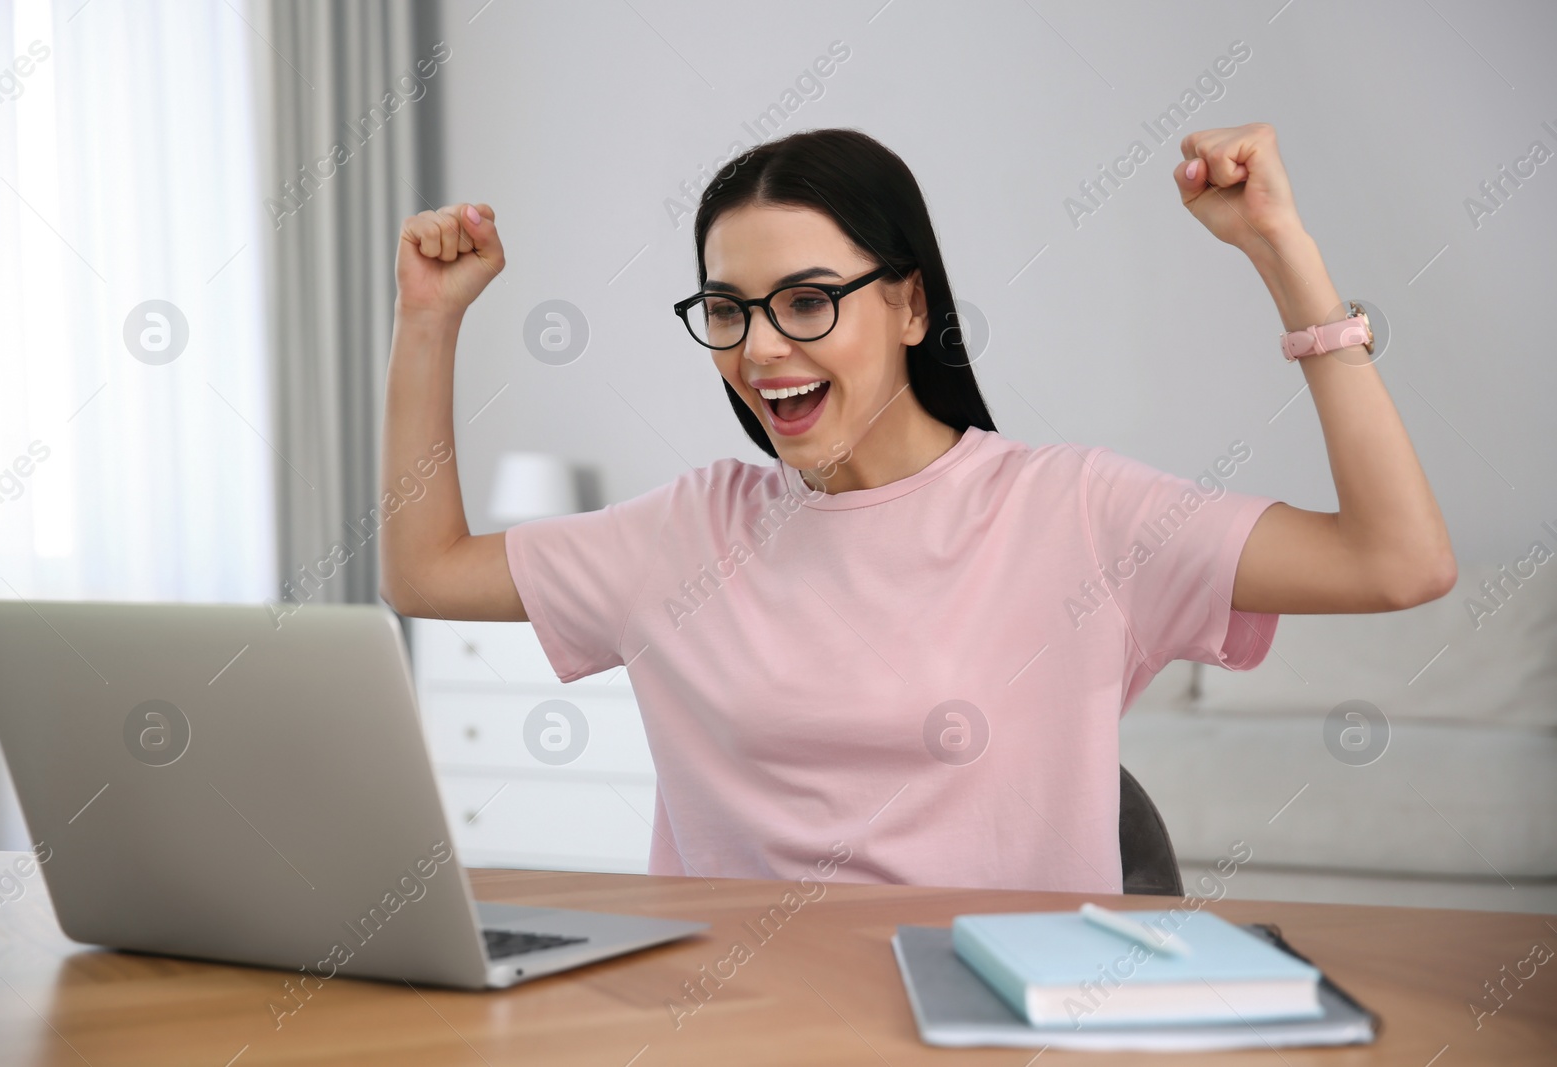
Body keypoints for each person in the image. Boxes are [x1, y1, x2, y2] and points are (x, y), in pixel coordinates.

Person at [378, 126, 1455, 893]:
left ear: (907, 303)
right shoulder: (684, 533)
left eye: (806, 300)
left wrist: (1286, 258)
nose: (759, 349)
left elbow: (1396, 560)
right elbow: (422, 572)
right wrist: (427, 320)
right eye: (725, 309)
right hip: (735, 1025)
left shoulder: (1073, 513)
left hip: (995, 1024)